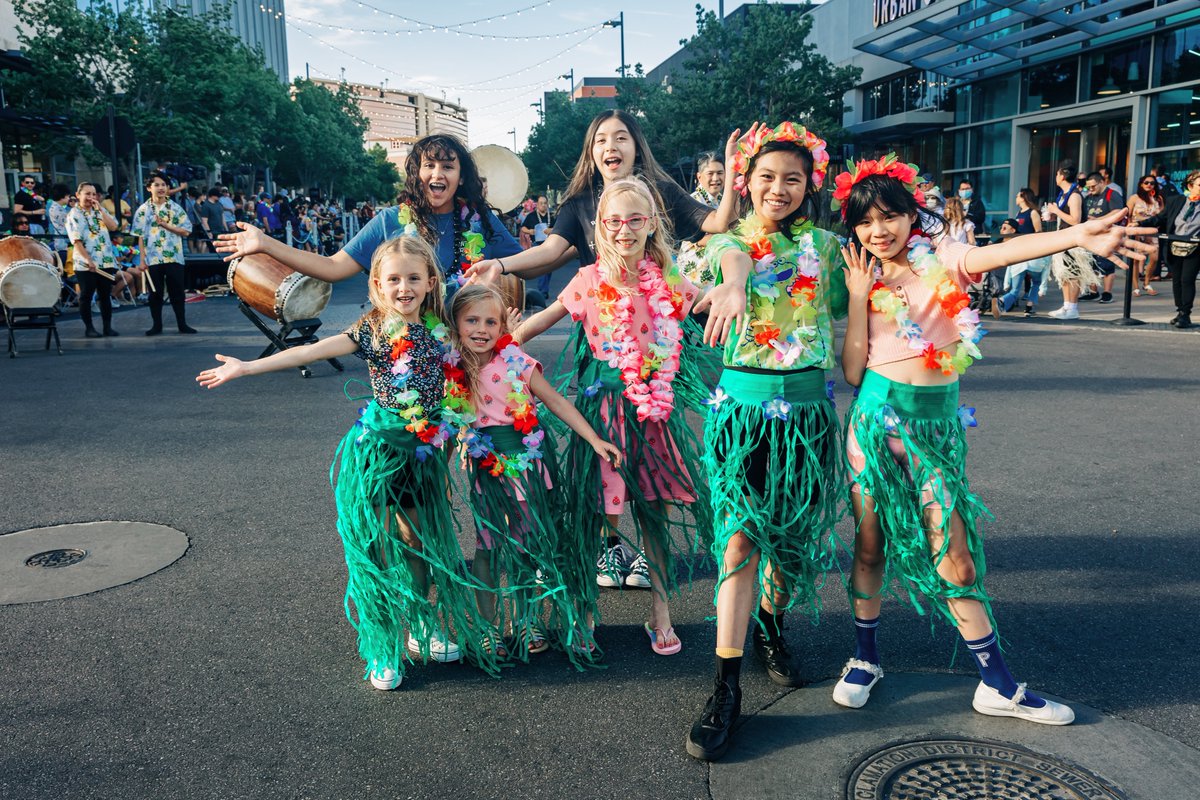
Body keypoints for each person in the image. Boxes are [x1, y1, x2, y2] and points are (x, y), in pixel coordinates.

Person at [831, 153, 1155, 727]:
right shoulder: (863, 275)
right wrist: (858, 298)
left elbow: (997, 253)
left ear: (912, 215)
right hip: (875, 420)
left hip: (936, 424)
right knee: (869, 543)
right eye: (864, 221)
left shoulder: (945, 260)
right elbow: (853, 374)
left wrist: (1073, 234)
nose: (877, 231)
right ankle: (864, 658)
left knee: (954, 554)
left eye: (889, 216)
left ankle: (997, 685)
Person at [197, 236, 496, 690]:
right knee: (376, 549)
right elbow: (308, 351)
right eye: (393, 279)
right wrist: (247, 367)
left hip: (422, 457)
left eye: (414, 278)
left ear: (431, 282)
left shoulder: (442, 329)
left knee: (418, 544)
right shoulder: (372, 330)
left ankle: (420, 625)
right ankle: (383, 644)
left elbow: (484, 330)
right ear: (377, 284)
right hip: (379, 456)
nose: (404, 287)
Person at [683, 122, 847, 762]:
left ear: (810, 186)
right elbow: (730, 260)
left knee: (794, 542)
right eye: (766, 176)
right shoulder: (720, 242)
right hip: (745, 412)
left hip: (808, 415)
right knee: (741, 538)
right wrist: (730, 281)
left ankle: (771, 625)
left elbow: (853, 298)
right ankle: (725, 684)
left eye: (793, 179)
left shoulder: (830, 250)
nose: (779, 188)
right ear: (744, 182)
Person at [513, 178, 708, 658]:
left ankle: (660, 613)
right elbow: (533, 327)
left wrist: (739, 286)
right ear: (600, 227)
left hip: (656, 415)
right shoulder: (587, 281)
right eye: (614, 221)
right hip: (602, 416)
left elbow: (707, 301)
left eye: (635, 220)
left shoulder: (668, 282)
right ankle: (582, 615)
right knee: (595, 515)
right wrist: (487, 348)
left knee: (656, 515)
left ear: (651, 225)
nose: (625, 229)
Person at [446, 283, 621, 663]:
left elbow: (556, 401)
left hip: (528, 466)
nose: (481, 328)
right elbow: (446, 426)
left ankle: (526, 620)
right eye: (471, 320)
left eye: (490, 321)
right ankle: (487, 626)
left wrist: (593, 439)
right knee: (487, 549)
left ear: (502, 327)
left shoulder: (517, 363)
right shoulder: (451, 372)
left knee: (528, 545)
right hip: (486, 471)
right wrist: (448, 465)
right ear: (455, 324)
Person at [469, 110, 741, 312]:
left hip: (659, 322)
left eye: (621, 138)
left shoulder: (661, 192)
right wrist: (500, 264)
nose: (611, 146)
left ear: (636, 148)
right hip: (603, 325)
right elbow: (549, 250)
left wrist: (734, 171)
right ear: (592, 152)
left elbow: (720, 222)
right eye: (601, 141)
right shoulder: (579, 202)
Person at [216, 134, 520, 299]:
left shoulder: (479, 222)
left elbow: (530, 264)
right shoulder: (390, 221)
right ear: (417, 174)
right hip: (406, 361)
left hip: (465, 351)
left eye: (447, 167)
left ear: (461, 177)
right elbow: (333, 268)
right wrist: (267, 243)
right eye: (429, 165)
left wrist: (504, 264)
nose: (437, 174)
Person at [131, 172, 197, 335]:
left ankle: (182, 324)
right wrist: (142, 260)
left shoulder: (175, 208)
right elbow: (139, 236)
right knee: (155, 293)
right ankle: (156, 325)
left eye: (163, 185)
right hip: (153, 258)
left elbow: (186, 231)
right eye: (157, 185)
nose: (161, 188)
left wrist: (167, 226)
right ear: (149, 188)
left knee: (177, 292)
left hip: (174, 256)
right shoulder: (143, 210)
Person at [1142, 169, 1200, 329]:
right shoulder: (1176, 200)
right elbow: (1160, 218)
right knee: (1176, 280)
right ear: (1190, 185)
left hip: (1195, 249)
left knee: (1187, 280)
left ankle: (1185, 314)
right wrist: (1140, 224)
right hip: (1174, 247)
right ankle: (1180, 311)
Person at [65, 182, 121, 338]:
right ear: (78, 195)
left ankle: (107, 327)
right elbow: (76, 241)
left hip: (105, 260)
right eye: (87, 194)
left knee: (105, 295)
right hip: (85, 263)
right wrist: (88, 260)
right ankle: (89, 327)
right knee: (87, 294)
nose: (91, 197)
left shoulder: (99, 211)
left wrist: (100, 210)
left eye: (93, 194)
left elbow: (114, 227)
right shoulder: (73, 215)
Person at [1043, 167, 1096, 320]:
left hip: (1074, 240)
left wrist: (1056, 211)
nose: (1056, 176)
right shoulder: (1064, 194)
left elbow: (1075, 220)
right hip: (1064, 237)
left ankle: (1073, 308)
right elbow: (1067, 217)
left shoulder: (1074, 196)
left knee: (1073, 273)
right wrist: (1053, 216)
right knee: (1064, 273)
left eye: (1058, 174)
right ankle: (1066, 306)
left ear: (1063, 176)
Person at [678, 152, 725, 289]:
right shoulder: (691, 202)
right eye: (710, 173)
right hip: (695, 276)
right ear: (699, 177)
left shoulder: (724, 201)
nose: (715, 178)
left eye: (720, 173)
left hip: (716, 273)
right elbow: (697, 238)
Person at [1082, 171, 1123, 304]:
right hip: (1092, 234)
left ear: (1101, 182)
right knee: (1091, 263)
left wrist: (1098, 220)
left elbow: (1117, 212)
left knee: (1107, 264)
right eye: (1088, 187)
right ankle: (1093, 291)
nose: (1091, 189)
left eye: (1093, 186)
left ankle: (1107, 293)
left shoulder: (1112, 194)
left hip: (1107, 234)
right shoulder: (1089, 197)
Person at [996, 218, 1049, 317]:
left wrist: (1006, 283)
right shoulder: (1046, 247)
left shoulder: (1017, 242)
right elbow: (1046, 268)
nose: (1001, 230)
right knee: (1036, 283)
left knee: (1014, 290)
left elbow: (1011, 263)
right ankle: (1029, 307)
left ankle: (1001, 300)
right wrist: (1043, 288)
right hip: (1036, 264)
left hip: (1018, 264)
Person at [1127, 174, 1165, 295]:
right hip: (1137, 232)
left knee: (1154, 258)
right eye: (1146, 182)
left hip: (1152, 232)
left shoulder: (1158, 198)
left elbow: (1162, 215)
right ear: (1141, 184)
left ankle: (1147, 283)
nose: (1149, 185)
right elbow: (1127, 214)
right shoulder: (1134, 198)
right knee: (1135, 260)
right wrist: (1129, 230)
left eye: (1152, 183)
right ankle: (1136, 287)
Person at [519, 195, 554, 296]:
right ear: (537, 205)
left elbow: (558, 228)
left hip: (550, 244)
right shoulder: (531, 216)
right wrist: (530, 231)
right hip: (537, 245)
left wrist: (550, 230)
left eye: (545, 203)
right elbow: (523, 228)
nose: (543, 205)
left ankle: (544, 289)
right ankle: (543, 291)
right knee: (543, 267)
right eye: (541, 203)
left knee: (549, 268)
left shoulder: (552, 216)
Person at [45, 184, 72, 263]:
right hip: (63, 246)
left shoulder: (59, 207)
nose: (69, 199)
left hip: (63, 244)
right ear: (63, 196)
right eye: (68, 196)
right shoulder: (57, 209)